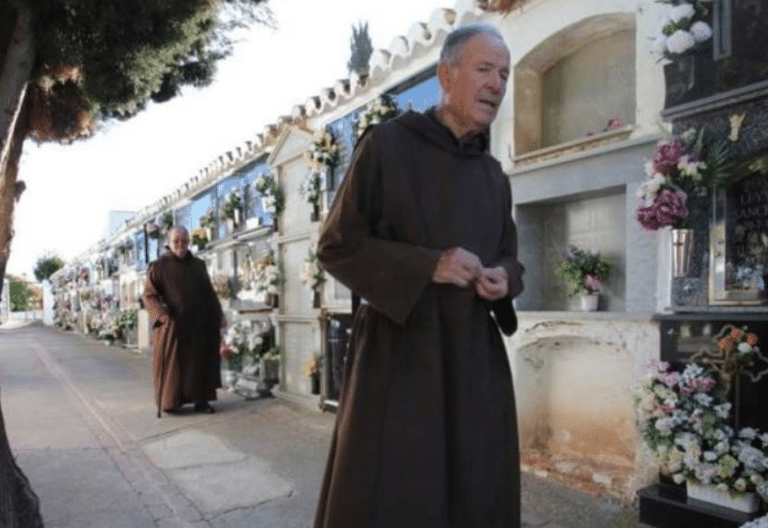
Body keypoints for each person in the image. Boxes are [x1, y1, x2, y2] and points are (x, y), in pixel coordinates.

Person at [313, 23, 525, 528]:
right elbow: (337, 246)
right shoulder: (386, 146)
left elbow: (511, 257)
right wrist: (428, 264)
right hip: (399, 359)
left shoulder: (493, 176)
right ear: (445, 75)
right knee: (397, 491)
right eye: (484, 70)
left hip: (473, 361)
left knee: (476, 487)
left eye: (505, 73)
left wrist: (504, 278)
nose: (497, 84)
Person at [143, 226, 225, 416]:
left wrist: (219, 314)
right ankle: (172, 401)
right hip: (174, 325)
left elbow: (209, 292)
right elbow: (149, 295)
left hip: (200, 324)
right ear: (169, 243)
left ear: (189, 242)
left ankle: (201, 400)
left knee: (200, 363)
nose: (181, 245)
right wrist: (161, 314)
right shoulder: (159, 267)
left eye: (184, 241)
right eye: (176, 241)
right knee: (176, 366)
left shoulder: (199, 265)